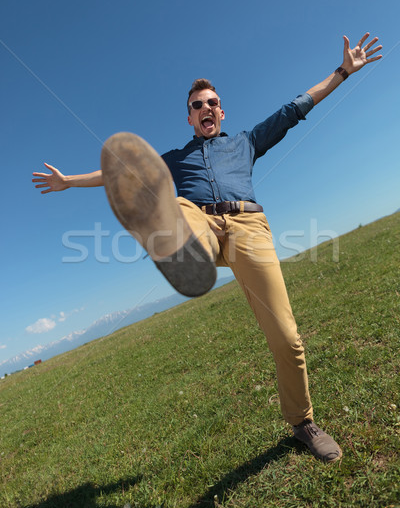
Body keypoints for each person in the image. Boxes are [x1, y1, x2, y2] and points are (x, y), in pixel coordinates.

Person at [33, 32, 382, 462]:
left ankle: (302, 422)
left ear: (221, 110)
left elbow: (297, 107)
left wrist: (344, 71)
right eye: (197, 105)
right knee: (178, 203)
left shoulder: (246, 142)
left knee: (289, 339)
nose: (206, 109)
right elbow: (118, 171)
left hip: (248, 227)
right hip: (196, 219)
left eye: (212, 103)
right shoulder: (176, 158)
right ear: (189, 118)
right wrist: (69, 181)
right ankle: (180, 245)